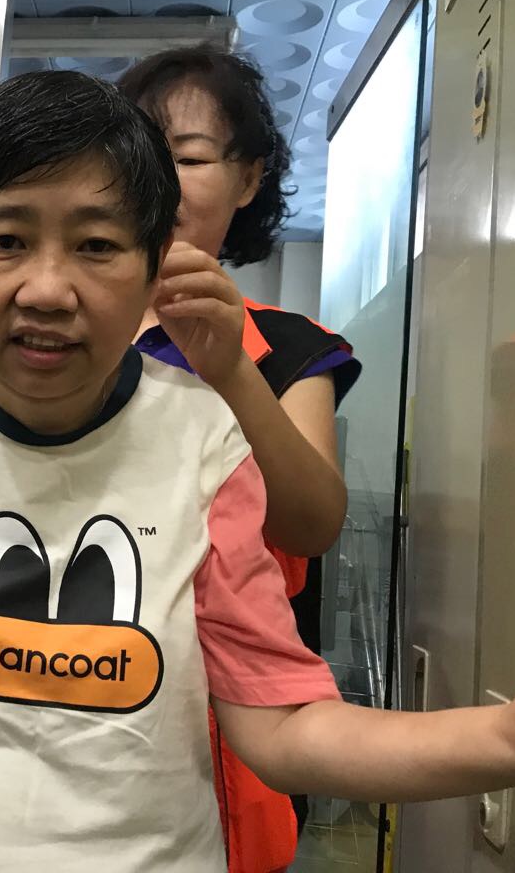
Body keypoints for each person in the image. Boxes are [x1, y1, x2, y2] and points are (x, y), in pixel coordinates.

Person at [0, 71, 515, 873]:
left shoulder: (207, 440)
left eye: (96, 246)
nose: (48, 289)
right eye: (6, 241)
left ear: (157, 267)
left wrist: (502, 741)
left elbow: (283, 725)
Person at [118, 45, 361, 870]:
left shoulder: (291, 349)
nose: (157, 181)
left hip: (237, 724)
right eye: (137, 154)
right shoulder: (65, 335)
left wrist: (231, 370)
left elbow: (313, 524)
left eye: (187, 158)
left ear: (248, 179)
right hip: (87, 684)